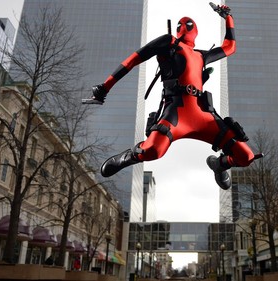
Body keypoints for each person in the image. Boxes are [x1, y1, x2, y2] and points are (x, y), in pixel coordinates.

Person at [91, 3, 262, 190]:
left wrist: (228, 18)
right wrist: (105, 86)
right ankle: (127, 157)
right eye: (181, 24)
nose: (185, 26)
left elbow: (230, 47)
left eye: (189, 24)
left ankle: (219, 164)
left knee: (246, 156)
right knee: (152, 150)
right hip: (176, 113)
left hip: (204, 116)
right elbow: (133, 59)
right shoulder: (168, 43)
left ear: (196, 31)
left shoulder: (200, 56)